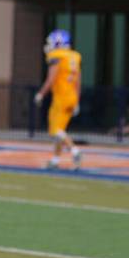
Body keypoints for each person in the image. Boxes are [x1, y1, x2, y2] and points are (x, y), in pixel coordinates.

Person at [34, 30, 82, 170]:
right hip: (71, 96)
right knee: (60, 132)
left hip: (61, 98)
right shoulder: (74, 56)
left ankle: (75, 150)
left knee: (55, 131)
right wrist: (77, 101)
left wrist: (41, 94)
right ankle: (55, 160)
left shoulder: (56, 56)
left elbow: (51, 79)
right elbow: (78, 81)